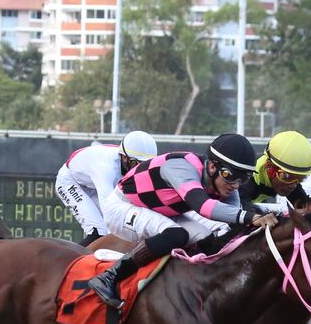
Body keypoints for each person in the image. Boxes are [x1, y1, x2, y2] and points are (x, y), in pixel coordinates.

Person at [89, 132, 276, 307]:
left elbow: (234, 220)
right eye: (230, 176)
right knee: (177, 235)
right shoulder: (181, 167)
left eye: (243, 179)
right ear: (212, 166)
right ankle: (109, 276)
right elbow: (202, 206)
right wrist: (252, 217)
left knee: (206, 238)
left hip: (161, 210)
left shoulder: (226, 184)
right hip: (122, 206)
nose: (234, 185)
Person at [55, 130, 158, 245]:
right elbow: (110, 212)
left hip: (92, 182)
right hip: (71, 181)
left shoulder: (126, 164)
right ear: (124, 157)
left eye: (145, 164)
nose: (139, 169)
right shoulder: (106, 169)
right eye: (135, 163)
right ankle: (75, 257)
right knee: (98, 232)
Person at [240, 130, 311, 212]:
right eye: (286, 176)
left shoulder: (288, 181)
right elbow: (242, 211)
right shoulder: (245, 180)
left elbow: (307, 207)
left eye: (300, 179)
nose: (293, 186)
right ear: (269, 166)